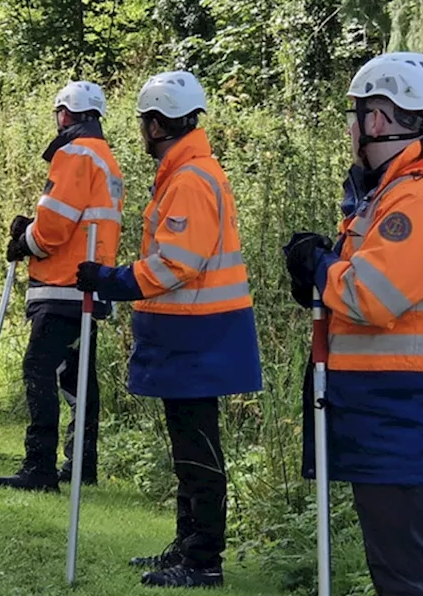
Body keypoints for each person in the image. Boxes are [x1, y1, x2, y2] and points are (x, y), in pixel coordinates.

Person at [282, 52, 423, 596]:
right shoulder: (390, 196)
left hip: (411, 416)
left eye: (356, 116)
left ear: (377, 120)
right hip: (395, 415)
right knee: (398, 569)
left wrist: (320, 265)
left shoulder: (421, 201)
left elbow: (370, 295)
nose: (353, 129)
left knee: (407, 576)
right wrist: (323, 270)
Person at [75, 71, 262, 589]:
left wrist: (111, 281)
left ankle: (203, 559)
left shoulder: (191, 179)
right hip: (193, 333)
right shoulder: (186, 172)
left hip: (199, 335)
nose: (140, 131)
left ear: (157, 124)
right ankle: (187, 545)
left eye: (143, 123)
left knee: (198, 450)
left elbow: (175, 263)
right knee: (188, 446)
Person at [0, 81, 123, 493]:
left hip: (61, 283)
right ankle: (83, 463)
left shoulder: (73, 154)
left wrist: (23, 241)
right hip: (91, 284)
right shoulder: (106, 159)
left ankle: (40, 466)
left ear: (65, 114)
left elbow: (54, 223)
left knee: (39, 369)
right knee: (79, 379)